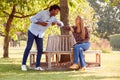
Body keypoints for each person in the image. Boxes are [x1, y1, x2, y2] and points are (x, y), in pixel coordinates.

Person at [21, 4, 64, 71]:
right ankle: (23, 64)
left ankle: (37, 66)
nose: (57, 13)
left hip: (40, 34)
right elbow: (32, 19)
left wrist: (57, 23)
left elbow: (61, 24)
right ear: (53, 10)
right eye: (57, 11)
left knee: (40, 49)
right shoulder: (43, 13)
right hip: (32, 31)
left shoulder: (53, 18)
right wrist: (41, 23)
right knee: (29, 47)